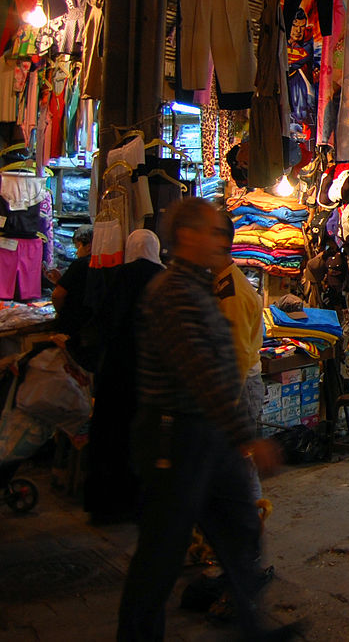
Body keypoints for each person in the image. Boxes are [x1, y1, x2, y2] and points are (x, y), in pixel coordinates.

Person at [117, 198, 295, 642]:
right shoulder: (174, 293)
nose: (222, 241)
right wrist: (245, 436)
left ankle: (252, 626)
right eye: (214, 232)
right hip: (175, 436)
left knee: (239, 530)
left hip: (206, 434)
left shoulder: (203, 287)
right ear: (189, 236)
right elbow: (201, 371)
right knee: (161, 552)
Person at [84, 229, 164, 525]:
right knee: (143, 441)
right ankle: (140, 505)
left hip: (116, 372)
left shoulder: (116, 277)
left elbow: (102, 323)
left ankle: (106, 506)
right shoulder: (163, 279)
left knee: (111, 436)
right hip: (149, 375)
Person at [213, 213, 266, 499]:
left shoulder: (231, 292)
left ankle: (249, 524)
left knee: (240, 466)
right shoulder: (224, 283)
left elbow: (237, 356)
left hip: (239, 387)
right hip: (240, 385)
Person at [52, 224, 95, 367]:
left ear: (88, 246)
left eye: (78, 247)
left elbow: (58, 295)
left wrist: (61, 311)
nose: (76, 252)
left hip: (73, 326)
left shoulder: (80, 264)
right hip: (89, 326)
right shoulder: (104, 264)